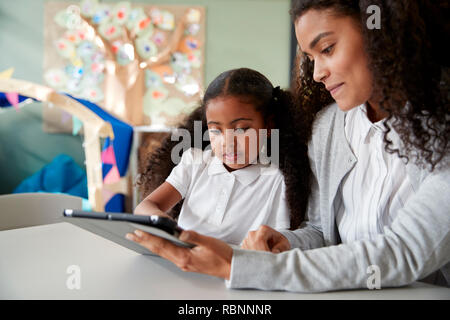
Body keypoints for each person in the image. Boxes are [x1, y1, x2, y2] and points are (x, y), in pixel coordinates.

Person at [127, 0, 449, 291]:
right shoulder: (328, 127)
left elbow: (406, 249)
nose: (318, 73)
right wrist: (286, 242)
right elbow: (321, 232)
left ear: (380, 31)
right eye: (309, 58)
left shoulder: (441, 124)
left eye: (327, 48)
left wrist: (244, 266)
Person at [132, 67, 310, 245]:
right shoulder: (194, 163)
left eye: (241, 129)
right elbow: (144, 207)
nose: (227, 142)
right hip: (179, 262)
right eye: (216, 130)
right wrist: (169, 227)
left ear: (268, 126)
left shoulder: (277, 182)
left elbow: (277, 246)